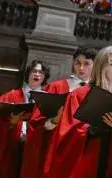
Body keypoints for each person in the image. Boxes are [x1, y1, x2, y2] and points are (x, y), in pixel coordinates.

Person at [44, 45, 112, 178]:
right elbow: (67, 131)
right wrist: (91, 129)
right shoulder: (80, 94)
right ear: (101, 66)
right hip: (87, 157)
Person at [20, 48, 96, 178]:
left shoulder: (96, 91)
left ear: (95, 65)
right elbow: (37, 122)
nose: (81, 67)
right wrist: (55, 120)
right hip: (56, 150)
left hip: (84, 151)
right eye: (78, 63)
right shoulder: (56, 87)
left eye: (86, 63)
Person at [0, 60, 50, 178]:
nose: (37, 74)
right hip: (13, 147)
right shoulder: (11, 95)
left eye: (41, 72)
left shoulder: (47, 99)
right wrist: (10, 123)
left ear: (44, 77)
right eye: (34, 71)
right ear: (28, 74)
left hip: (36, 149)